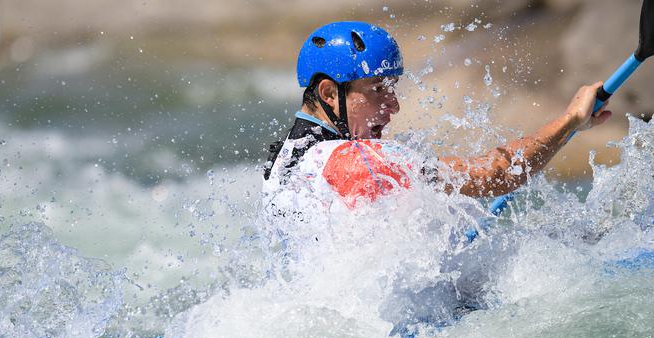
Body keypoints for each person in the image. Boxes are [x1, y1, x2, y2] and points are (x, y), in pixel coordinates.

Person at [262, 20, 611, 223]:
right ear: (328, 93)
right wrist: (569, 120)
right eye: (378, 89)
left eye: (393, 89)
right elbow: (499, 174)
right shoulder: (358, 161)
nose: (394, 106)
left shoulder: (282, 165)